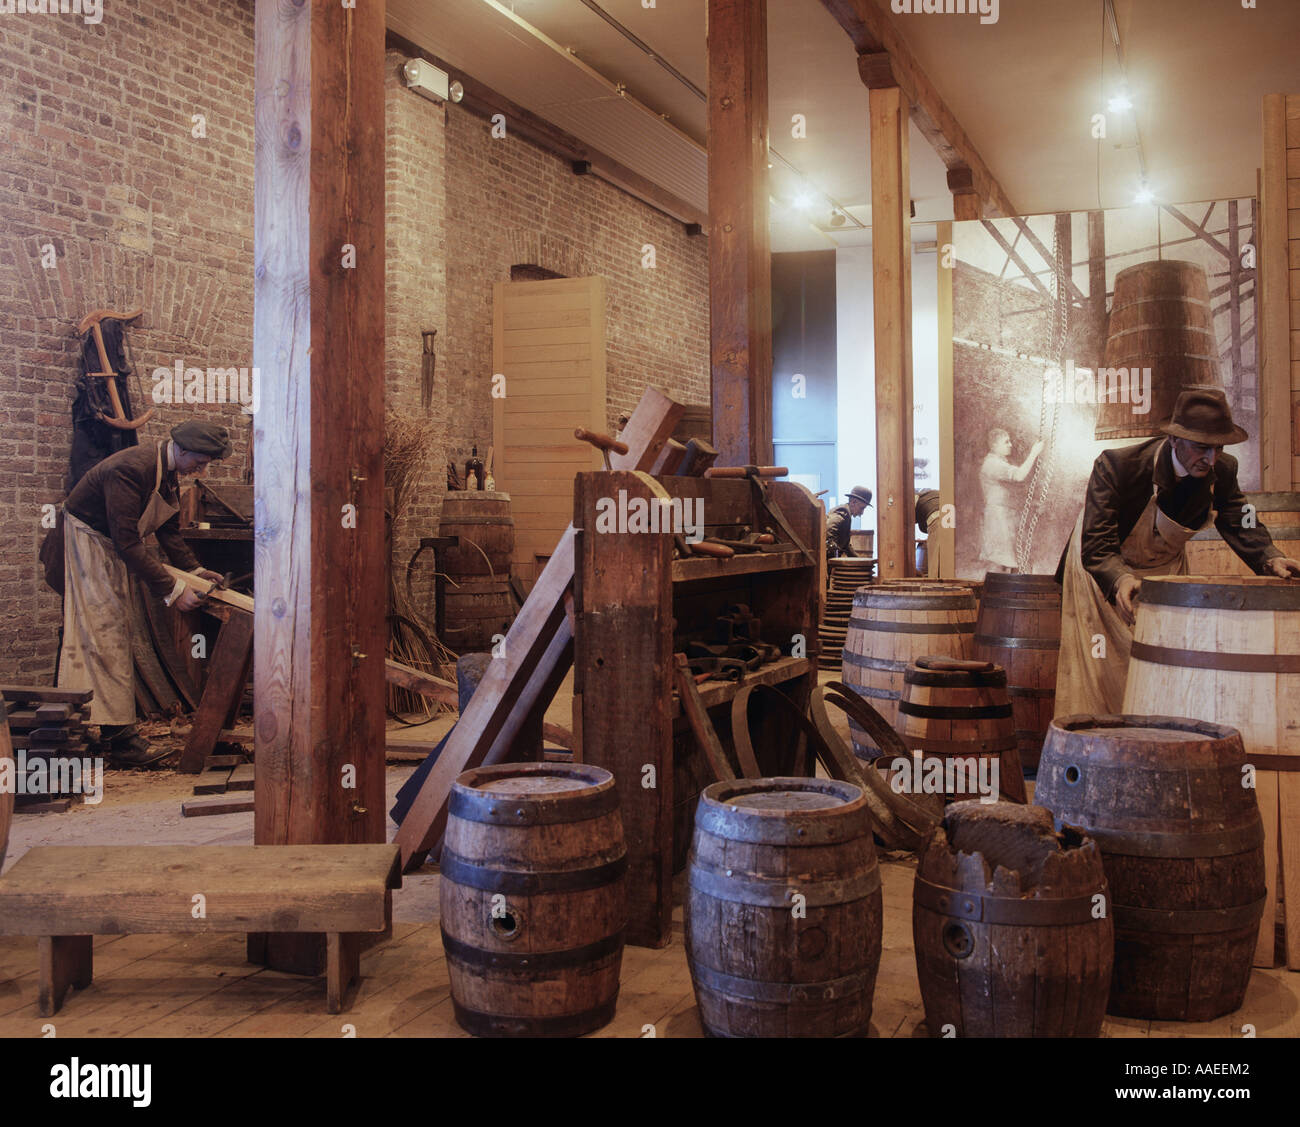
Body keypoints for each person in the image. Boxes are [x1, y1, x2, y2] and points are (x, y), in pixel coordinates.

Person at [1055, 388, 1300, 716]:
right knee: (1101, 666)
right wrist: (1119, 580)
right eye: (1202, 448)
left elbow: (1237, 516)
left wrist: (1269, 557)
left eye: (1218, 448)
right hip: (1101, 568)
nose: (1211, 459)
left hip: (1162, 566)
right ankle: (1099, 745)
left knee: (1166, 658)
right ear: (1175, 441)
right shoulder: (1117, 466)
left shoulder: (1222, 470)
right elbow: (1097, 544)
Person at [58, 421, 233, 766]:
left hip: (110, 543)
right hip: (88, 542)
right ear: (180, 450)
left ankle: (84, 726)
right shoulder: (130, 469)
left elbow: (167, 527)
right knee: (103, 630)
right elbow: (127, 542)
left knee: (107, 631)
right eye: (199, 461)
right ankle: (121, 743)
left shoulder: (165, 471)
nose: (202, 469)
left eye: (207, 463)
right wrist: (172, 590)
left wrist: (194, 572)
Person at [977, 428, 1044, 573]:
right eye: (1006, 442)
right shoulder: (992, 464)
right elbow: (1019, 475)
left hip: (1004, 518)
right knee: (999, 562)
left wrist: (1032, 504)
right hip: (998, 519)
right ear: (994, 446)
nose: (1010, 445)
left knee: (1012, 561)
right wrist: (1034, 453)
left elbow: (1008, 493)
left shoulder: (999, 462)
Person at [826, 486, 872, 560]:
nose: (862, 512)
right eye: (862, 508)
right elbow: (828, 528)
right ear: (853, 502)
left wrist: (859, 560)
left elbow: (846, 545)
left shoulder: (847, 515)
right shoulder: (843, 512)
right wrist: (834, 553)